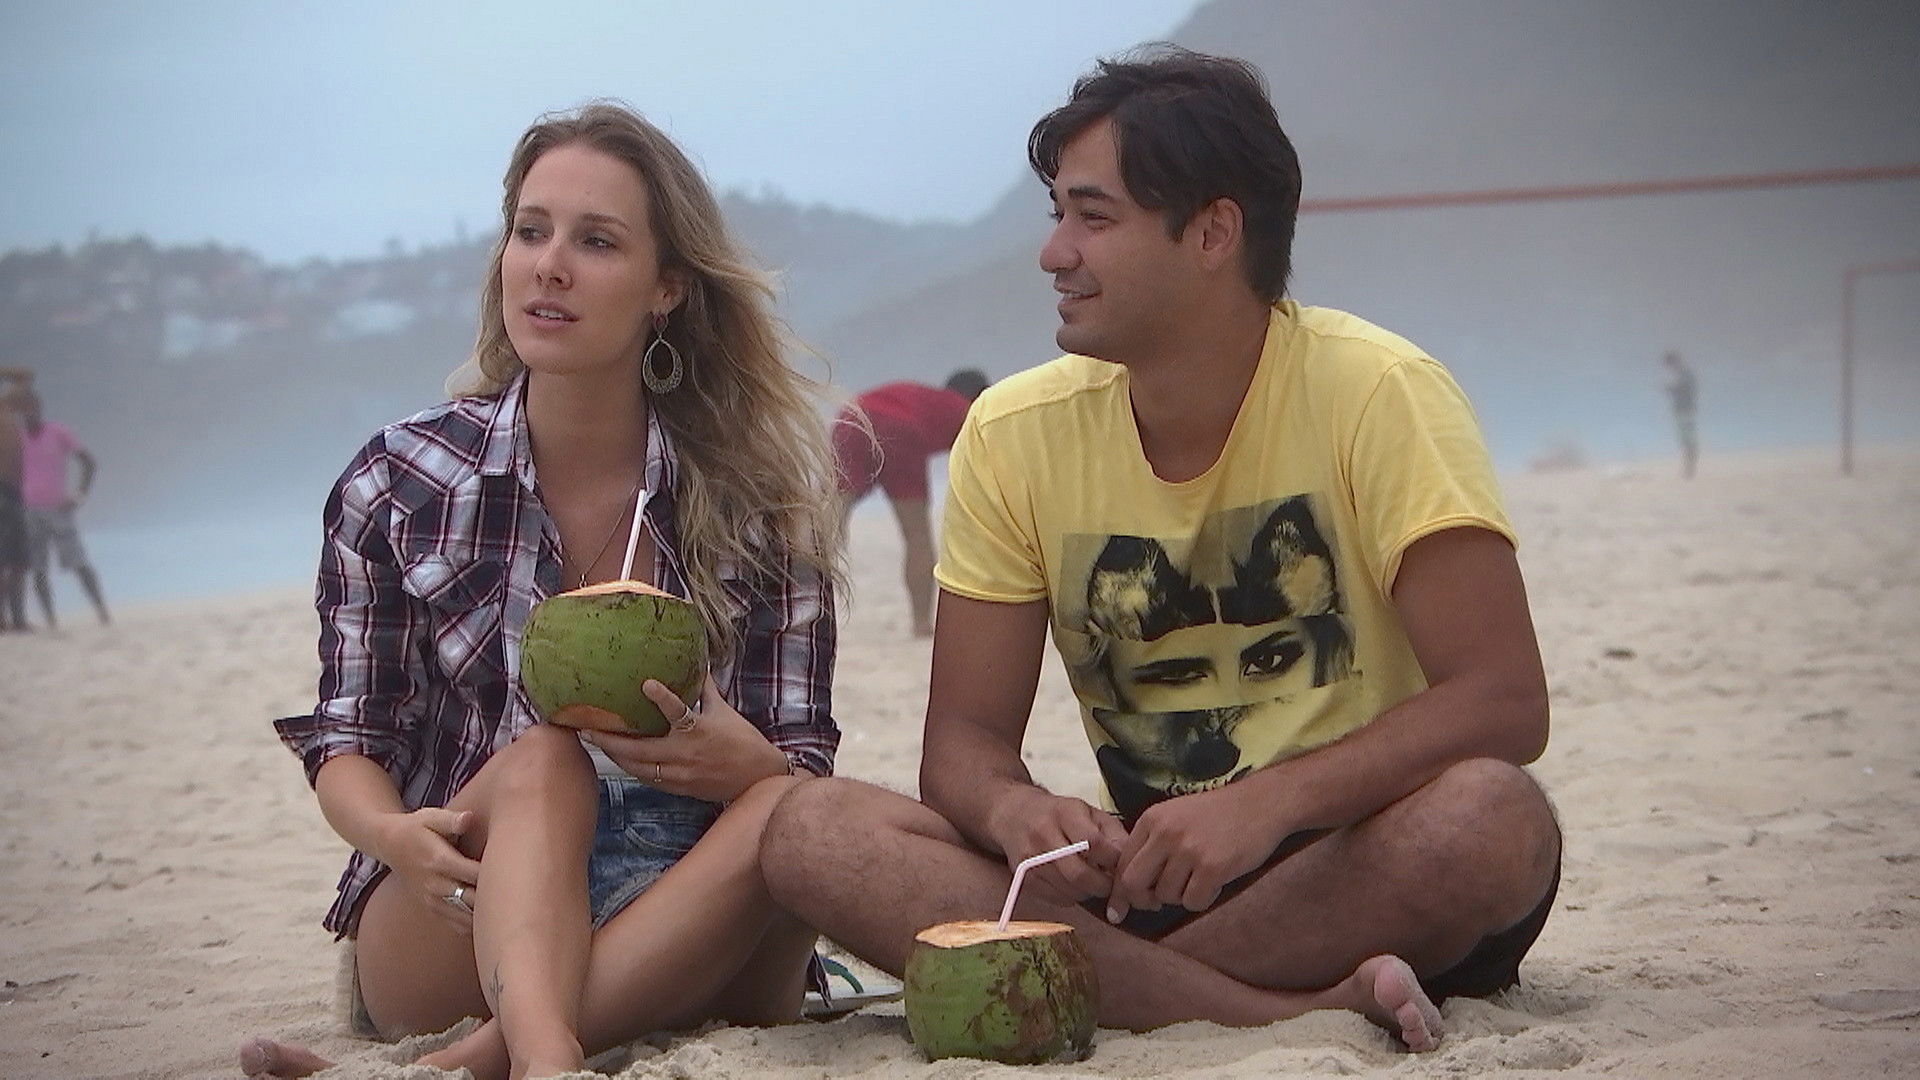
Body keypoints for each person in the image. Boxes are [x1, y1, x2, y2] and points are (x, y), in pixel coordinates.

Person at [761, 48, 1561, 1052]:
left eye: (1092, 218)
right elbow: (962, 746)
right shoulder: (1013, 432)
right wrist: (1016, 810)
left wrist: (1266, 806)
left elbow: (1503, 700)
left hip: (1357, 862)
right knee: (810, 831)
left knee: (1490, 817)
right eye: (1057, 214)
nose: (1053, 252)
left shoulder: (1379, 391)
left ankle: (1121, 992)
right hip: (1146, 883)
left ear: (1214, 232)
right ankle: (1277, 1010)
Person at [241, 102, 843, 1080]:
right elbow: (351, 737)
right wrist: (395, 834)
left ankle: (490, 1061)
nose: (549, 265)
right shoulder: (400, 479)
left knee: (786, 809)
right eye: (531, 232)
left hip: (697, 919)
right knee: (545, 762)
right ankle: (539, 1050)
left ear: (667, 287)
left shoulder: (761, 506)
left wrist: (752, 767)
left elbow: (804, 776)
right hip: (461, 915)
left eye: (596, 241)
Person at [832, 369, 990, 637]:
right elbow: (981, 472)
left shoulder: (926, 399)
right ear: (978, 396)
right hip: (901, 431)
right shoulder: (968, 410)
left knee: (830, 520)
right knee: (917, 536)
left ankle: (804, 596)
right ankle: (921, 623)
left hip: (852, 417)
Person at [15, 384, 109, 628]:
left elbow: (88, 462)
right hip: (30, 510)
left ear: (39, 408)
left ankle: (102, 610)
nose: (27, 414)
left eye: (30, 408)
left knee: (78, 562)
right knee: (38, 569)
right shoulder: (19, 438)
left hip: (58, 509)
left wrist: (79, 495)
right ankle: (51, 620)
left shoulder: (57, 432)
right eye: (22, 410)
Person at [0, 369, 32, 632]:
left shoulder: (6, 409)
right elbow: (24, 377)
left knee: (19, 559)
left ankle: (18, 619)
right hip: (5, 490)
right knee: (10, 559)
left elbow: (25, 375)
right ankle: (8, 619)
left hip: (16, 491)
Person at [1663, 350, 1698, 479]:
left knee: (1687, 439)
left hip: (1685, 410)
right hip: (1683, 410)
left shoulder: (1685, 375)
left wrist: (1671, 389)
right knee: (1685, 439)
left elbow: (1684, 389)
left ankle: (1690, 468)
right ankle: (1689, 467)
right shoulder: (1683, 375)